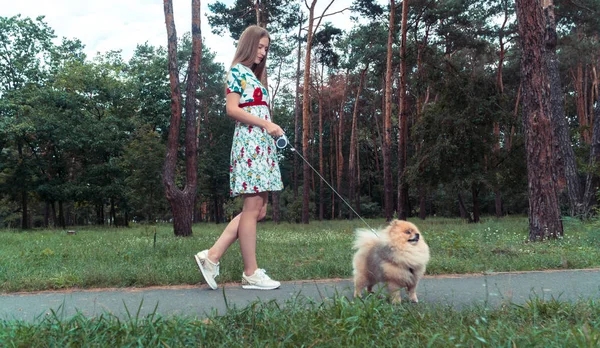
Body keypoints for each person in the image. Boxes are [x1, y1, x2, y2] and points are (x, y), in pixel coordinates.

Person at [194, 25, 284, 290]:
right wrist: (266, 124)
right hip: (250, 145)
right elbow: (232, 109)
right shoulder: (237, 72)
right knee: (252, 209)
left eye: (266, 48)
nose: (263, 52)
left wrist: (270, 126)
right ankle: (250, 272)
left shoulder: (253, 77)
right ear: (248, 44)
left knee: (259, 211)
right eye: (259, 46)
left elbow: (255, 110)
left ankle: (211, 257)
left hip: (262, 146)